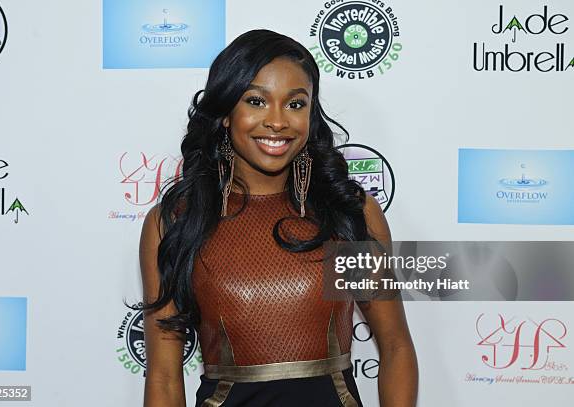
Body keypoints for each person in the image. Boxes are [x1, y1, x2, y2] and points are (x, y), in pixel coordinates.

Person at [137, 29, 418, 407]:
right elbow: (164, 377)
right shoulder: (176, 222)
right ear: (224, 114)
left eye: (295, 104)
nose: (278, 122)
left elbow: (396, 346)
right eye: (256, 100)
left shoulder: (347, 213)